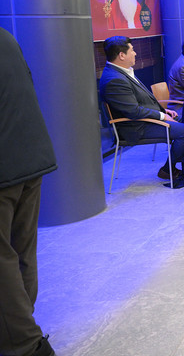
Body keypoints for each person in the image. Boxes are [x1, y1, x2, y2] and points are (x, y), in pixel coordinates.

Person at [0, 28, 58, 356]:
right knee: (21, 249)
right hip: (29, 158)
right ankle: (23, 322)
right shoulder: (6, 38)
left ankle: (23, 343)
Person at [100, 36, 184, 188]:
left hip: (144, 120)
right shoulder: (114, 79)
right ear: (121, 55)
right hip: (135, 127)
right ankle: (168, 170)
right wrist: (161, 116)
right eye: (132, 50)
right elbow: (133, 111)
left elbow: (140, 102)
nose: (135, 53)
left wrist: (163, 110)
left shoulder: (122, 72)